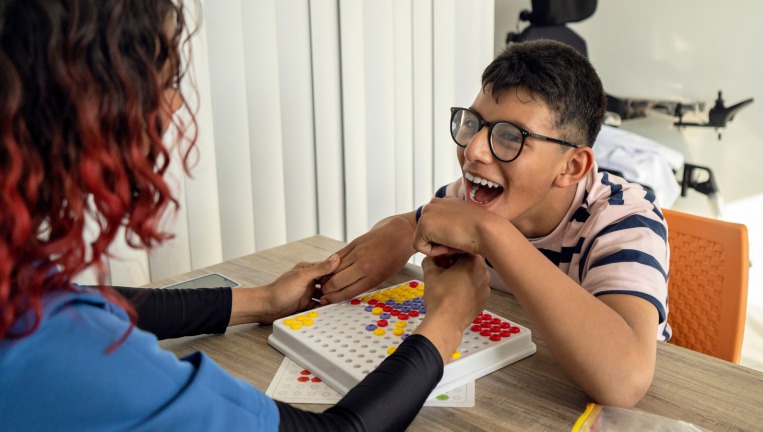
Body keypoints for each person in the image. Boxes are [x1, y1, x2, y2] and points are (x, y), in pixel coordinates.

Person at [0, 1, 491, 431]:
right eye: (164, 81)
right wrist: (446, 322)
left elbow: (68, 300)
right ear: (82, 106)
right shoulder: (75, 360)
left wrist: (261, 301)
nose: (174, 104)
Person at [320, 40, 670, 408]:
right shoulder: (477, 197)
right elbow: (424, 221)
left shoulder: (626, 219)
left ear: (571, 167)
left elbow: (624, 381)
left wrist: (491, 233)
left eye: (510, 136)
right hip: (499, 387)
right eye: (473, 124)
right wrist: (398, 230)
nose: (473, 150)